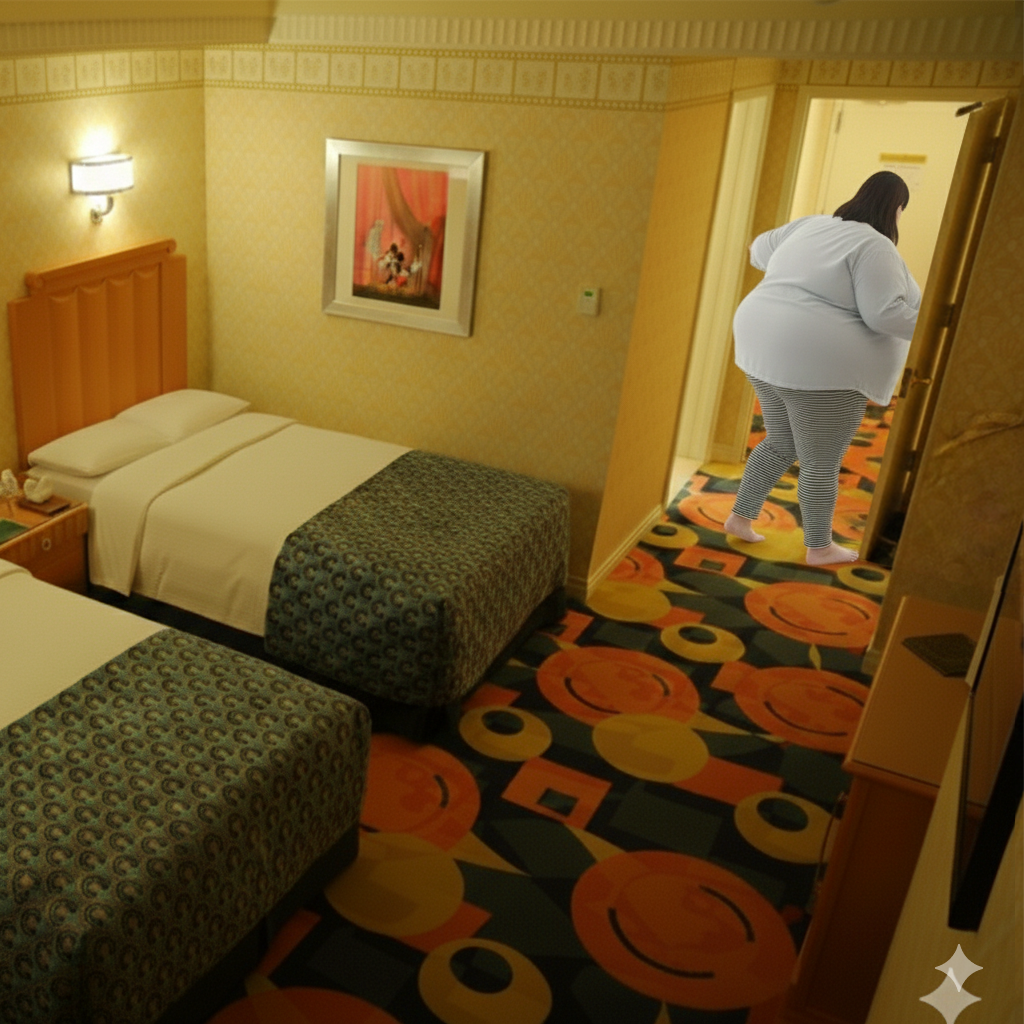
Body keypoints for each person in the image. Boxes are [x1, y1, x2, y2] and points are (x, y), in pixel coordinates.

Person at [723, 170, 921, 566]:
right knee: (820, 460)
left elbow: (757, 249)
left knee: (781, 441)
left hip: (758, 343)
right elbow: (883, 314)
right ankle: (819, 547)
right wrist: (936, 325)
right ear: (897, 209)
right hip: (822, 369)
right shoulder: (876, 246)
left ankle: (739, 518)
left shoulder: (811, 225)